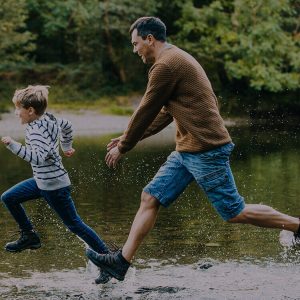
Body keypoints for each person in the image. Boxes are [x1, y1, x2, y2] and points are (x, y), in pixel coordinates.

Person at [86, 17, 300, 281]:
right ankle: (120, 263)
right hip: (188, 150)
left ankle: (297, 226)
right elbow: (164, 112)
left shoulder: (166, 65)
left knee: (234, 212)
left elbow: (146, 108)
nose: (135, 50)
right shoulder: (174, 59)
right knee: (150, 197)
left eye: (136, 43)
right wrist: (127, 138)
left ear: (150, 39)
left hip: (206, 148)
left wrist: (125, 146)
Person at [1, 85, 111, 284]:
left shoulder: (34, 131)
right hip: (42, 182)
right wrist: (66, 146)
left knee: (75, 225)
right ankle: (29, 236)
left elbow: (37, 157)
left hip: (54, 186)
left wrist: (12, 145)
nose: (16, 113)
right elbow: (67, 125)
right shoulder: (49, 118)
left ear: (30, 111)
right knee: (8, 197)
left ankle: (107, 261)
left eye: (18, 109)